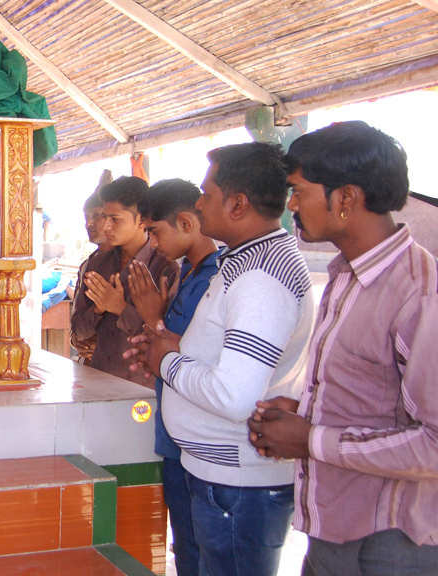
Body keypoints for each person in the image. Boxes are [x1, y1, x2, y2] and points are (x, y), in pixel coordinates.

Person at [248, 122, 438, 576]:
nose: (290, 205)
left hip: (391, 545)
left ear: (346, 198)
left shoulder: (419, 293)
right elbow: (379, 403)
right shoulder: (346, 276)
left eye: (298, 191)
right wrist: (307, 412)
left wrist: (311, 438)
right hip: (332, 530)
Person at [126, 142, 314, 576]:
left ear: (237, 204)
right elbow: (226, 357)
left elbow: (234, 396)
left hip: (238, 485)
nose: (198, 202)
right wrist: (171, 345)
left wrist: (167, 362)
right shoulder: (242, 261)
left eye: (206, 194)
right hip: (220, 476)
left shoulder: (261, 278)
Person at [129, 178, 222, 576]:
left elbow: (202, 355)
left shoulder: (217, 278)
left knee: (203, 551)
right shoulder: (188, 273)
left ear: (186, 223)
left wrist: (153, 317)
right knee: (185, 547)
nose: (152, 243)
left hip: (202, 442)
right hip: (176, 435)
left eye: (154, 231)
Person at [70, 176, 179, 387]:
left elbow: (170, 341)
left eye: (115, 219)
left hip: (141, 387)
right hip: (99, 381)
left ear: (141, 220)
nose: (106, 226)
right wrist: (98, 310)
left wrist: (120, 308)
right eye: (104, 217)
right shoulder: (97, 266)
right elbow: (78, 331)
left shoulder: (165, 270)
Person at [70, 187, 111, 363]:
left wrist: (104, 345)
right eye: (87, 217)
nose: (89, 223)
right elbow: (76, 318)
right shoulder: (88, 265)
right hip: (90, 365)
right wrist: (76, 339)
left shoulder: (132, 263)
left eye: (97, 215)